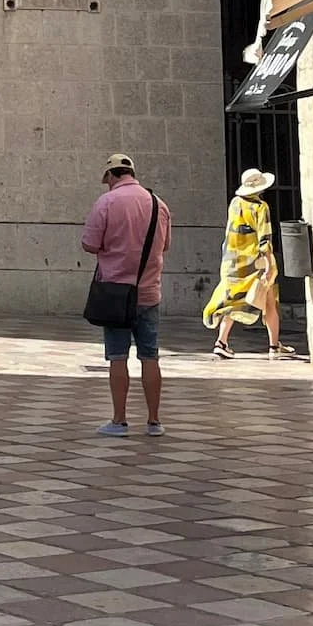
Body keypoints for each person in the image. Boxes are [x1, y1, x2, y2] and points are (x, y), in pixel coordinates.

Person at [80, 152, 172, 437]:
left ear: (111, 175)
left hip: (116, 293)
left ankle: (119, 420)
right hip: (148, 292)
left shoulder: (106, 202)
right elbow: (165, 245)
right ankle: (154, 421)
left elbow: (89, 244)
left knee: (118, 356)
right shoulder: (159, 204)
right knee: (150, 356)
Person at [206, 169, 286, 359]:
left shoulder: (235, 203)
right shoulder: (261, 207)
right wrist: (268, 265)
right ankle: (273, 346)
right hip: (256, 262)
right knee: (269, 301)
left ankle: (223, 341)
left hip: (234, 262)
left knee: (234, 301)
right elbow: (264, 238)